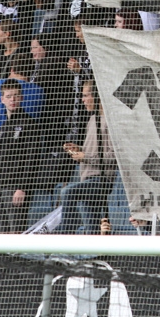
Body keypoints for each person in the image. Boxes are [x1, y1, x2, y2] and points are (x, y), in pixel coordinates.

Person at [60, 81, 116, 234]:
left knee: (67, 192)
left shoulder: (111, 122)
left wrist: (85, 156)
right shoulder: (92, 119)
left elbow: (114, 157)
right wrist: (78, 150)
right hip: (86, 180)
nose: (83, 100)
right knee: (93, 229)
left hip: (100, 180)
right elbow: (93, 150)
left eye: (86, 95)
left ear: (97, 96)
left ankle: (64, 237)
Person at [0, 80, 39, 233]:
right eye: (8, 96)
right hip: (0, 188)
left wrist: (22, 188)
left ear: (21, 98)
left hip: (15, 189)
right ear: (2, 99)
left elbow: (31, 158)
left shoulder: (29, 124)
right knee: (2, 234)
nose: (12, 100)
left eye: (16, 96)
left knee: (16, 232)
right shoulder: (3, 127)